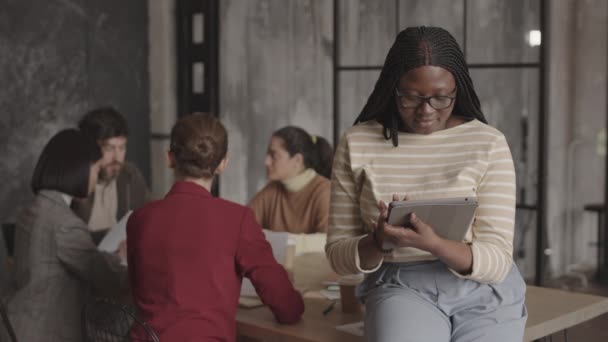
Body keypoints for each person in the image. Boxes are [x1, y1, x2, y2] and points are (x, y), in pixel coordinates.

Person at [325, 26, 527, 342]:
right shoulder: (357, 142)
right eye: (411, 97)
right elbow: (338, 256)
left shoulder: (488, 143)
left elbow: (498, 261)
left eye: (441, 98)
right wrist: (377, 241)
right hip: (402, 286)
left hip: (484, 290)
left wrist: (434, 244)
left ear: (457, 90)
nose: (426, 111)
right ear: (392, 88)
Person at [127, 113, 304, 341]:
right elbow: (287, 308)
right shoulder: (237, 219)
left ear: (170, 158)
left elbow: (137, 291)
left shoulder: (139, 219)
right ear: (223, 163)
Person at [5, 129, 128, 342]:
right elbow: (102, 275)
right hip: (45, 332)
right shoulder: (64, 223)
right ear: (78, 170)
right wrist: (122, 256)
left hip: (18, 324)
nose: (96, 175)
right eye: (95, 168)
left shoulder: (35, 208)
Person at [72, 107, 150, 235]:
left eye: (122, 148)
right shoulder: (73, 179)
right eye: (109, 148)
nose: (117, 158)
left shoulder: (130, 175)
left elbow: (148, 219)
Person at [248, 126, 333, 233]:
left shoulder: (325, 191)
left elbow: (330, 241)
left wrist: (285, 241)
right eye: (267, 154)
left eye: (274, 156)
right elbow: (241, 225)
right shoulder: (271, 191)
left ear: (297, 160)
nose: (266, 162)